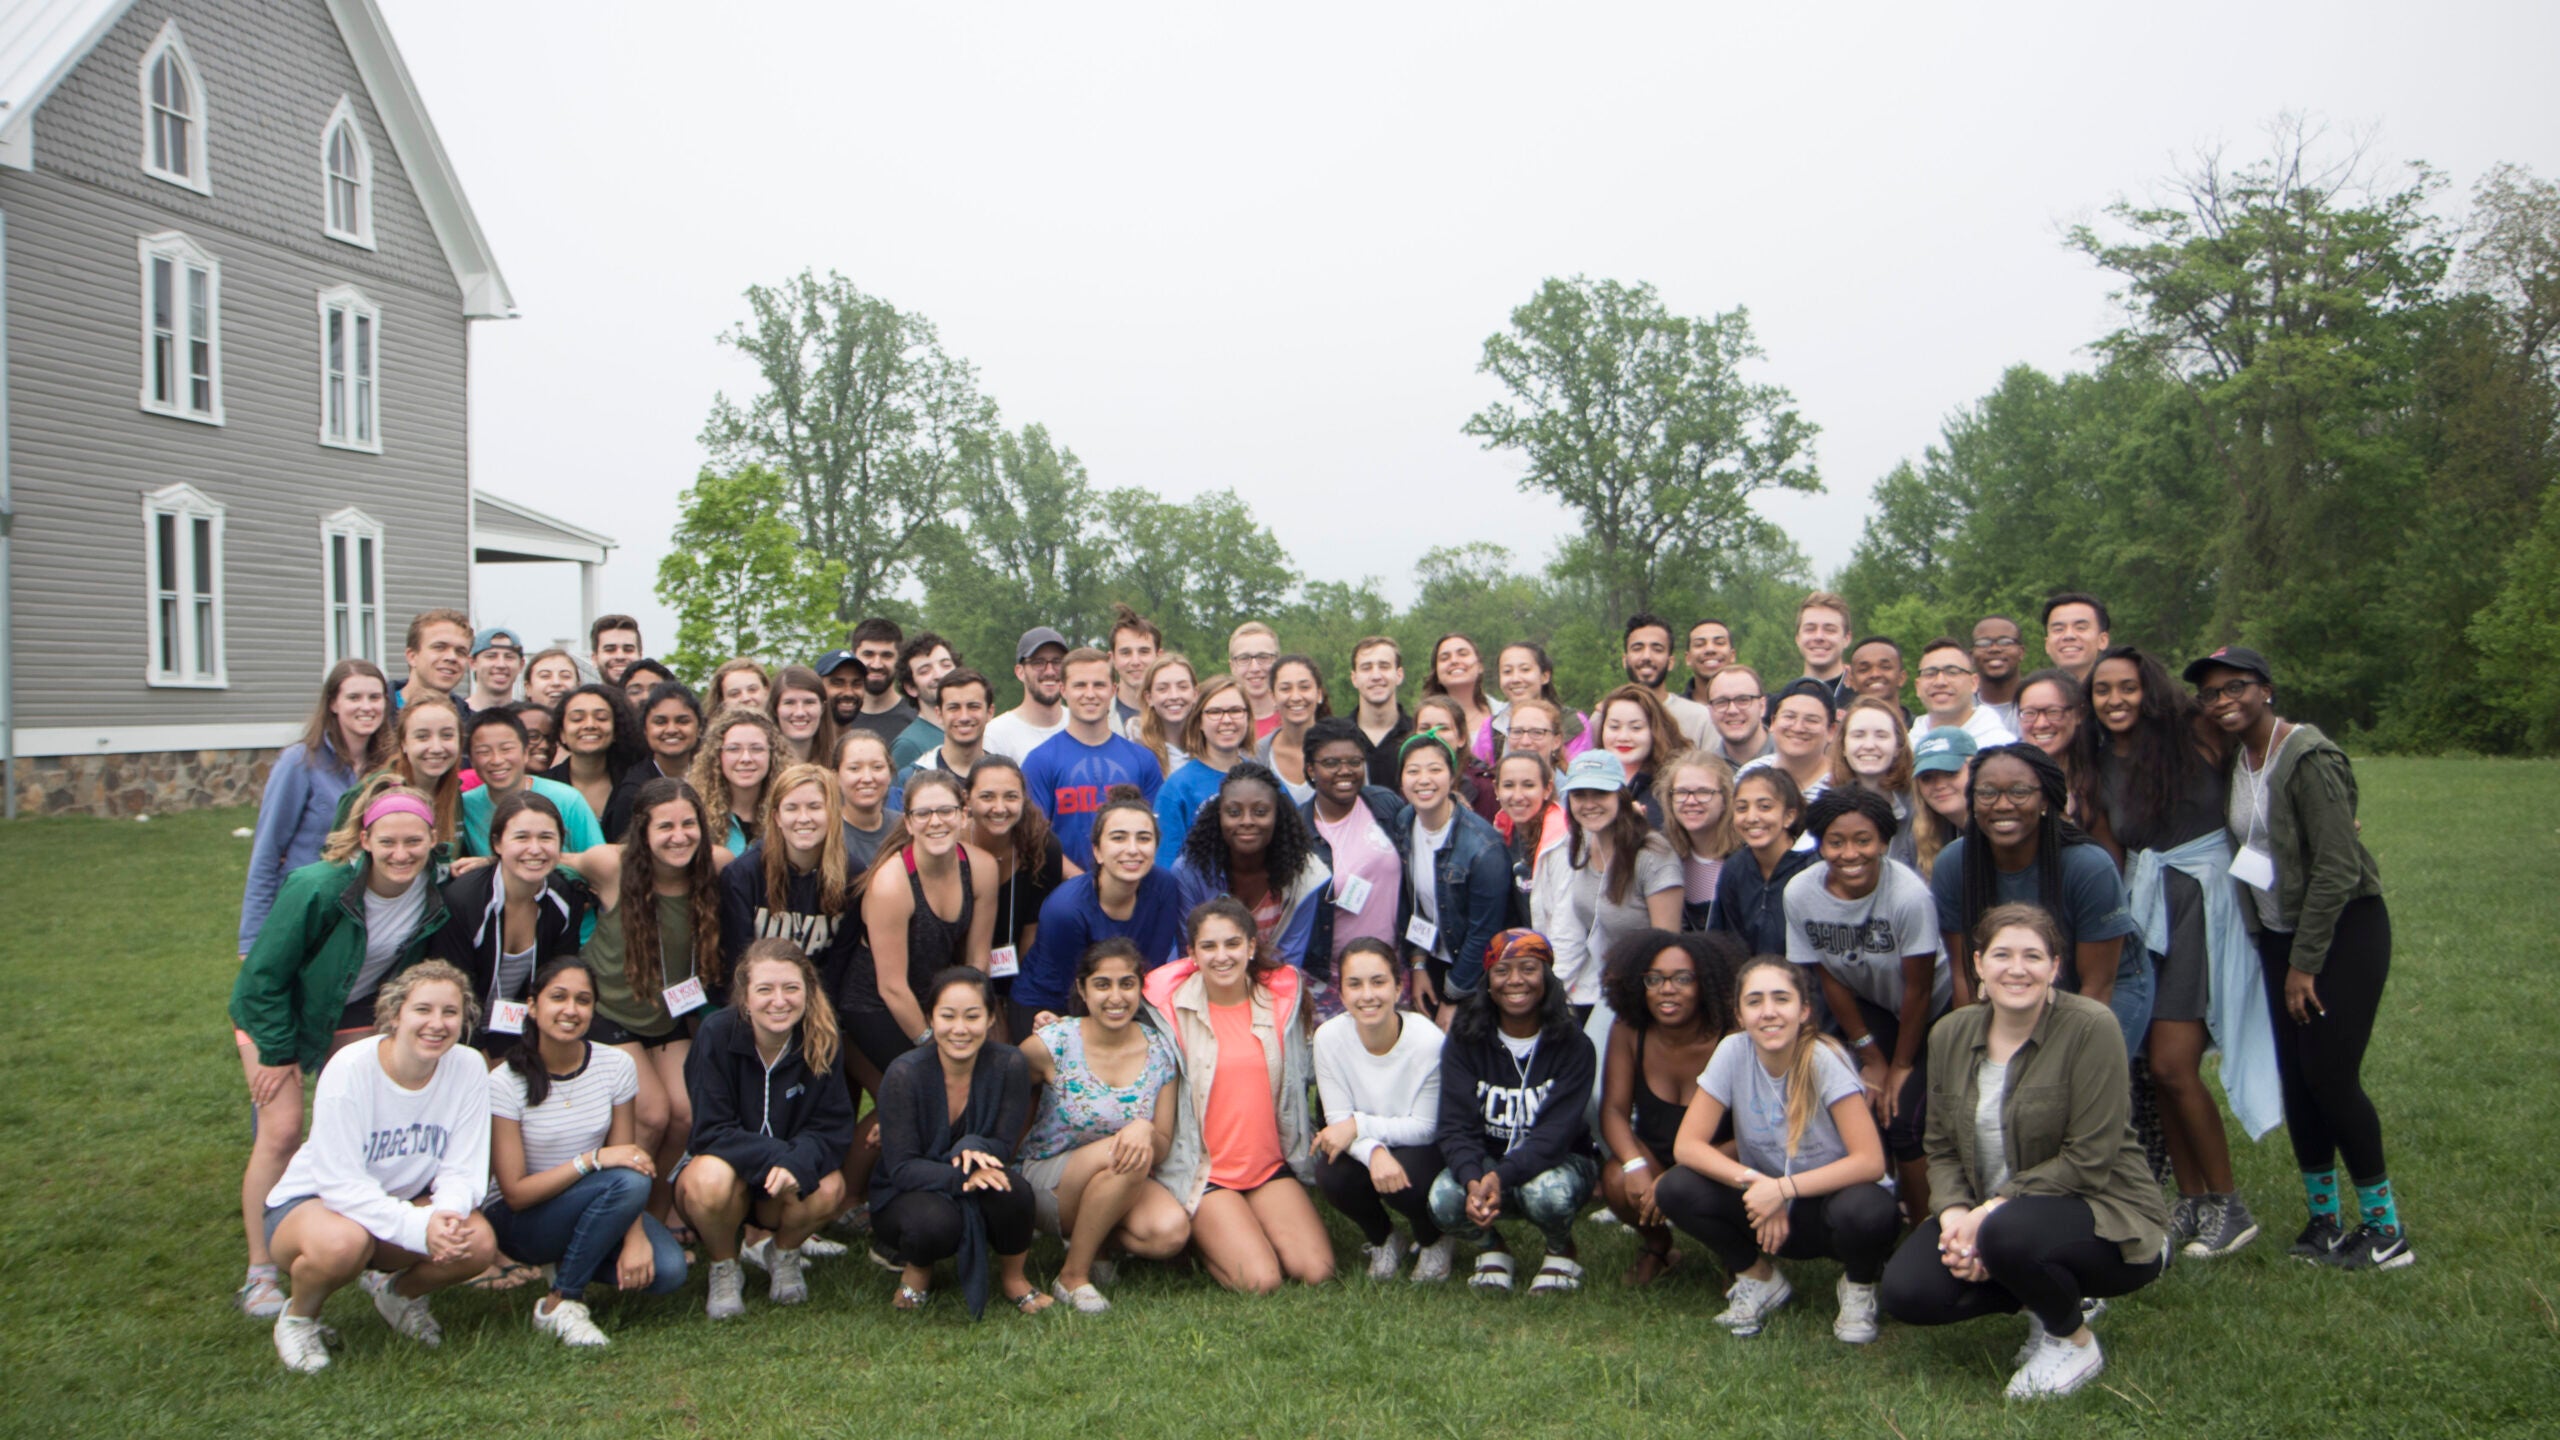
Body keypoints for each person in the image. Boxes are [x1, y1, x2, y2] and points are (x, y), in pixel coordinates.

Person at [1881, 904, 2170, 1400]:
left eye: (2033, 956)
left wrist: (1988, 1216)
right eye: (2002, 955)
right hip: (1995, 1221)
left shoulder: (2090, 1028)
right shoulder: (1950, 1033)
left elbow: (2090, 1158)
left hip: (2109, 1216)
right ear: (1978, 965)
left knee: (2007, 1233)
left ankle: (2072, 1340)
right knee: (1908, 1292)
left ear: (2055, 967)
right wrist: (1954, 1218)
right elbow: (1941, 1146)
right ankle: (2041, 1294)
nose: (2017, 969)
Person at [2190, 644, 2409, 1269]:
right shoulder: (2240, 757)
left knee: (2331, 1078)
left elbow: (2339, 866)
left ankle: (2386, 1230)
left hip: (2343, 931)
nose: (2224, 700)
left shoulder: (2306, 755)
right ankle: (2324, 1219)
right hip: (2282, 935)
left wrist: (2305, 965)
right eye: (2212, 693)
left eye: (2236, 687)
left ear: (2266, 688)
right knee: (2298, 1081)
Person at [229, 784, 453, 1319]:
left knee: (369, 1124)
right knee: (281, 1131)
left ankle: (372, 1250)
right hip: (276, 1011)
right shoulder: (316, 887)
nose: (401, 854)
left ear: (432, 840)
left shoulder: (435, 889)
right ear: (365, 839)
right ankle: (260, 1271)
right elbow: (259, 982)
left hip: (354, 1014)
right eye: (389, 842)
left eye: (414, 842)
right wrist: (279, 1055)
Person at [2087, 644, 2268, 1260]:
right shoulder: (2102, 759)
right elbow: (2110, 850)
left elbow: (2262, 764)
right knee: (2159, 1067)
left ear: (2150, 690)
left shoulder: (2193, 731)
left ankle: (2230, 1204)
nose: (2115, 701)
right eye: (2102, 691)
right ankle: (2193, 1199)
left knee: (2172, 1063)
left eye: (2127, 688)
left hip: (2199, 900)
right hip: (2144, 905)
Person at [260, 961, 496, 1372]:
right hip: (313, 1207)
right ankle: (299, 1318)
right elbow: (340, 1184)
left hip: (394, 1208)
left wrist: (446, 1215)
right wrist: (420, 1227)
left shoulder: (469, 1066)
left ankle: (398, 1295)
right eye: (422, 1010)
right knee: (343, 1243)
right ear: (394, 1013)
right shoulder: (351, 1068)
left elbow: (465, 1166)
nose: (436, 1024)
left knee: (476, 1241)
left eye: (450, 1012)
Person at [1654, 955, 1898, 1343]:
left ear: (1803, 1010)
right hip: (1764, 1204)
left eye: (1781, 999)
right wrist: (1756, 1185)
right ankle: (1757, 1276)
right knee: (1675, 1186)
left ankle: (1858, 1286)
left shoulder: (1823, 1057)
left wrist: (1783, 1189)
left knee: (1868, 1210)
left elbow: (1870, 1161)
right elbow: (1687, 1145)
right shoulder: (1733, 1051)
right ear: (1739, 1014)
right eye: (1754, 1001)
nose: (1768, 1012)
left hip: (1831, 1210)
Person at [485, 957, 688, 1347]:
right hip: (522, 1220)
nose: (571, 1010)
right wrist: (590, 1161)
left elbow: (628, 1156)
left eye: (583, 1000)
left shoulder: (615, 1065)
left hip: (597, 1200)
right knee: (623, 1179)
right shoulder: (505, 1081)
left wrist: (634, 1238)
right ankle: (561, 1302)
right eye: (558, 997)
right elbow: (514, 1193)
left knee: (668, 1270)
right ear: (533, 1005)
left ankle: (571, 1258)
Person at [561, 776, 726, 1229]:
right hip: (609, 1010)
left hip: (668, 1014)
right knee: (651, 1114)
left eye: (689, 824)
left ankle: (653, 1218)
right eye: (665, 827)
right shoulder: (610, 865)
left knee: (688, 1113)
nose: (679, 836)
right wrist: (481, 861)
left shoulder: (715, 865)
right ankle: (611, 1218)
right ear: (642, 831)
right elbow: (546, 859)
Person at [1144, 898, 1333, 1293]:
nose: (1221, 956)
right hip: (1207, 1173)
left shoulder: (1279, 1002)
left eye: (1232, 944)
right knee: (1262, 1281)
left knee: (1317, 1271)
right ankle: (1203, 1237)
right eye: (1208, 947)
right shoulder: (1170, 1009)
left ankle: (1244, 1223)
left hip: (1267, 1168)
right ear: (1191, 954)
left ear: (1250, 947)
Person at [1786, 788, 1950, 1218]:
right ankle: (1889, 1210)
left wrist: (1900, 1066)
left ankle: (1924, 1226)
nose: (1850, 853)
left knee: (1904, 1117)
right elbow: (1827, 975)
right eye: (1835, 842)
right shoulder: (1800, 893)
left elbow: (1919, 987)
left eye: (1863, 840)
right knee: (1865, 1104)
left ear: (1883, 842)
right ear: (1819, 844)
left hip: (1933, 1008)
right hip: (1869, 1004)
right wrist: (1871, 1054)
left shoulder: (1909, 896)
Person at [675, 939, 856, 1319]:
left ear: (808, 990)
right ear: (744, 996)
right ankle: (724, 1267)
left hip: (782, 1188)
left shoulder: (824, 1036)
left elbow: (833, 1126)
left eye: (791, 988)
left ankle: (784, 1253)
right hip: (727, 1179)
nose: (779, 1001)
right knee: (709, 1178)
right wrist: (782, 1157)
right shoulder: (715, 1034)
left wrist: (797, 1163)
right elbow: (710, 1131)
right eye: (765, 989)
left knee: (830, 1187)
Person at [1931, 744, 2149, 1054]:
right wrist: (1976, 1050)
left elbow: (2096, 987)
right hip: (2020, 981)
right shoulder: (1954, 864)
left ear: (2045, 799)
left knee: (2080, 1081)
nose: (2002, 805)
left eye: (2019, 792)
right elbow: (1964, 974)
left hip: (2104, 986)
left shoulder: (2088, 866)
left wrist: (2058, 1061)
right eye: (1987, 793)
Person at [1017, 938, 1190, 1311]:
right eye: (1102, 984)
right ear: (1082, 988)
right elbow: (994, 1087)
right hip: (1048, 1179)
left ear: (1140, 988)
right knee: (1127, 1152)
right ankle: (1073, 1276)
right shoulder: (1054, 1043)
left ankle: (1099, 1246)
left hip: (1124, 1171)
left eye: (1127, 983)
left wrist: (1144, 1129)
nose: (1116, 997)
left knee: (1169, 1233)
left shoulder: (1160, 1050)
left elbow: (1160, 1140)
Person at [870, 968, 1049, 1315]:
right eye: (947, 1016)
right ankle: (917, 1271)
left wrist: (974, 1146)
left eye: (972, 1016)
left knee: (1016, 1192)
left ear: (991, 1017)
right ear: (930, 1018)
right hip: (907, 1191)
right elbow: (903, 1169)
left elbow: (1003, 1143)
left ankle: (1015, 1279)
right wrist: (965, 1177)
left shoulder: (1009, 1063)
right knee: (934, 1222)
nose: (960, 1029)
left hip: (976, 1169)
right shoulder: (904, 1074)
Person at [1428, 929, 1597, 1296]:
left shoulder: (1574, 1045)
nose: (1515, 980)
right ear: (1487, 981)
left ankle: (1560, 1250)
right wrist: (1474, 1179)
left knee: (1545, 1193)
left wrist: (1499, 1178)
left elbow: (1555, 1137)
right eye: (1502, 970)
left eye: (1528, 969)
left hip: (1560, 1165)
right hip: (1489, 1165)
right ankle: (1493, 1250)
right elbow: (1455, 1125)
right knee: (1444, 1196)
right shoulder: (1465, 1038)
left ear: (1547, 978)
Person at [1596, 930, 1739, 1286]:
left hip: (1725, 1156)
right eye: (1654, 979)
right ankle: (1659, 1248)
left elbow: (1756, 1135)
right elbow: (1613, 1110)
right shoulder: (1630, 1028)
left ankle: (1738, 1256)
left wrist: (1679, 1180)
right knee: (1616, 1177)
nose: (1667, 989)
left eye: (1682, 979)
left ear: (1706, 984)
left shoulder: (1734, 1035)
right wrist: (1635, 1164)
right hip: (1656, 1152)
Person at [1313, 939, 1453, 1281]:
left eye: (1378, 982)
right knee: (1332, 1174)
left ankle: (1434, 1238)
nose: (1367, 995)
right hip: (1366, 1143)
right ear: (1341, 993)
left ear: (1399, 985)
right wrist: (1373, 1149)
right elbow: (1336, 1122)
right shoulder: (1328, 1038)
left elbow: (1425, 1127)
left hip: (1420, 1146)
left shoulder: (1428, 1041)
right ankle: (1385, 1238)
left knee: (1411, 1179)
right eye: (1355, 984)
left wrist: (1359, 1126)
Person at [849, 770, 998, 1080]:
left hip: (936, 998)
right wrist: (933, 1043)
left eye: (946, 811)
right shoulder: (891, 885)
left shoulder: (982, 868)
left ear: (963, 816)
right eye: (923, 813)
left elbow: (977, 962)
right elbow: (891, 986)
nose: (936, 822)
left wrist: (969, 1020)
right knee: (922, 1090)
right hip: (876, 1005)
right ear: (908, 822)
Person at [242, 659, 390, 956]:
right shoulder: (300, 762)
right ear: (333, 704)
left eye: (375, 697)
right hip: (305, 910)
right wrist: (251, 938)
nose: (367, 706)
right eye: (354, 697)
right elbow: (268, 848)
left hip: (365, 915)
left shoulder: (389, 766)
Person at [429, 791, 593, 1055]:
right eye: (521, 837)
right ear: (497, 843)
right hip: (457, 1035)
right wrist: (479, 1058)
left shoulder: (564, 898)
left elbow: (556, 981)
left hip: (522, 1033)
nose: (535, 849)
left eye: (546, 838)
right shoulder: (463, 901)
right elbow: (451, 992)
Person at [1017, 790, 1187, 1040]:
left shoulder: (1165, 888)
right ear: (1097, 851)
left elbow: (1151, 970)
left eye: (1143, 838)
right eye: (1118, 838)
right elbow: (1078, 993)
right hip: (1053, 1005)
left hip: (1126, 999)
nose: (1132, 849)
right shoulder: (1065, 909)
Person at [719, 764, 863, 1028]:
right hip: (754, 1010)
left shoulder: (852, 876)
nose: (804, 818)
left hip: (819, 1011)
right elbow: (737, 964)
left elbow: (840, 965)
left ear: (833, 813)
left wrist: (814, 1017)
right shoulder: (742, 875)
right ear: (776, 816)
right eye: (792, 808)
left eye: (815, 807)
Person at [1543, 751, 1682, 1019]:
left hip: (1649, 996)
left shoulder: (1653, 855)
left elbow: (1669, 946)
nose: (1589, 803)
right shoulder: (1583, 842)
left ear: (1620, 795)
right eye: (1579, 795)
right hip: (1605, 989)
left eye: (1600, 793)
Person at [1174, 761, 1333, 979]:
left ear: (1277, 815)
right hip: (1205, 985)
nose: (1247, 821)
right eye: (1234, 812)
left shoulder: (1305, 874)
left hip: (1272, 991)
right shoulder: (1189, 872)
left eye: (1260, 811)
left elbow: (1288, 962)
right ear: (1218, 815)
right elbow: (1191, 953)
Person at [1396, 729, 1511, 1022]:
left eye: (1435, 769)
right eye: (1413, 771)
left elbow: (1483, 933)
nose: (1424, 780)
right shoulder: (1406, 821)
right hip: (1433, 961)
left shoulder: (1483, 848)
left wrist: (1453, 996)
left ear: (1451, 776)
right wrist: (1419, 963)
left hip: (1474, 974)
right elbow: (1416, 904)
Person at [1027, 647, 1166, 869]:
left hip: (1131, 888)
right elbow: (1034, 836)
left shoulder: (1142, 760)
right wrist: (1079, 883)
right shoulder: (1041, 760)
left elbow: (1157, 833)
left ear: (1113, 689)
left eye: (1099, 685)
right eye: (1080, 685)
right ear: (1063, 690)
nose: (1090, 694)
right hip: (1064, 892)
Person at [1302, 718, 1411, 988]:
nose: (1345, 771)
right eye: (1330, 763)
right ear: (1310, 770)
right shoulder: (1297, 831)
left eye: (1354, 761)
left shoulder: (1384, 804)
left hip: (1395, 971)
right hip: (1332, 980)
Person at [964, 754, 1065, 1032]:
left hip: (1017, 974)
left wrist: (1016, 1002)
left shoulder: (1042, 847)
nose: (999, 808)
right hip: (960, 975)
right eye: (987, 797)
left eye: (1010, 797)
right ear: (967, 800)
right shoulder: (952, 845)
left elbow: (1033, 930)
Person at [461, 708, 604, 857]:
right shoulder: (466, 806)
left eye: (506, 749)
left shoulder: (567, 800)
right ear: (471, 760)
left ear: (525, 753)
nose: (497, 760)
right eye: (484, 752)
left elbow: (602, 862)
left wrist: (495, 864)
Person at [1708, 767, 1813, 958]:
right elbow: (1722, 942)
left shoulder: (1811, 868)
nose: (1752, 818)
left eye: (1765, 807)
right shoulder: (1734, 869)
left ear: (1789, 816)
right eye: (1741, 808)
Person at [1154, 674, 1251, 863]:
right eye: (1215, 712)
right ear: (1199, 721)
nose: (1227, 720)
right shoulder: (1177, 788)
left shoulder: (1264, 781)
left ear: (1248, 717)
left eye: (1235, 710)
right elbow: (1165, 866)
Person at [1828, 696, 1923, 869]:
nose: (1869, 745)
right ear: (1843, 746)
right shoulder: (1825, 805)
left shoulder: (1919, 806)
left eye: (1881, 735)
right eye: (1858, 735)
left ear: (1897, 747)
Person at [602, 680, 703, 840]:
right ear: (645, 729)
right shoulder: (632, 792)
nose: (671, 729)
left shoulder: (713, 778)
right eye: (660, 722)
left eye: (683, 721)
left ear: (699, 728)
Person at [543, 683, 643, 825]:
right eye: (577, 718)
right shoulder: (543, 788)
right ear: (562, 734)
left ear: (616, 730)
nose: (590, 725)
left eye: (601, 718)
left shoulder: (637, 783)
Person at [688, 708, 782, 853]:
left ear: (772, 755)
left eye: (756, 749)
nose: (746, 758)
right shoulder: (696, 812)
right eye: (733, 749)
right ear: (717, 755)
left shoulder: (787, 810)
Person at [1590, 682, 1683, 826]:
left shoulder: (1674, 784)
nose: (1623, 737)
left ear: (1655, 731)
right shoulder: (1589, 779)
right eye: (1614, 727)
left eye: (1636, 728)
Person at [1663, 754, 1739, 931]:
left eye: (1704, 792)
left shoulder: (1744, 857)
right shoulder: (1663, 855)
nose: (1691, 801)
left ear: (1725, 799)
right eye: (1681, 792)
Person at [2015, 668, 2098, 824]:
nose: (2041, 724)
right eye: (2029, 713)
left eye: (2053, 712)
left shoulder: (2100, 775)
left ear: (2079, 714)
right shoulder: (2005, 774)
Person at [1622, 612, 1715, 751]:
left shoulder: (1700, 718)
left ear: (1670, 662)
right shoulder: (1607, 718)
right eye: (1637, 649)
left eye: (1657, 649)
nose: (1647, 656)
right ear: (1625, 660)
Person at [1493, 749, 1565, 930]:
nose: (1517, 796)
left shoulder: (1561, 841)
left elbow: (1566, 922)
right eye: (1508, 785)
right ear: (1496, 789)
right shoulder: (1502, 832)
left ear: (1547, 789)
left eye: (1528, 785)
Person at [1484, 641, 1589, 763]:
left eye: (1525, 669)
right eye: (1507, 671)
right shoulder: (1491, 726)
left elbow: (1579, 774)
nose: (1515, 679)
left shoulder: (1573, 722)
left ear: (1545, 676)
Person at [897, 666, 993, 793]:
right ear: (939, 714)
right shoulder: (912, 777)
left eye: (973, 706)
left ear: (990, 712)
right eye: (954, 708)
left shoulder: (1006, 776)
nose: (964, 717)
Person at [1251, 653, 1331, 804]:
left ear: (1319, 694)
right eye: (1285, 688)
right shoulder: (1257, 756)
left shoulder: (1345, 749)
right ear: (1273, 697)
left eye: (1304, 687)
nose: (1295, 697)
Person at [1912, 636, 2017, 748]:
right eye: (1930, 673)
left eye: (1952, 672)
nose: (1940, 682)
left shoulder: (2002, 746)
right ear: (1918, 686)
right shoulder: (1902, 750)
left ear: (1974, 683)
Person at [984, 626, 1070, 763]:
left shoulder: (1081, 724)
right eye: (1038, 662)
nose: (1050, 671)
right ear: (1020, 672)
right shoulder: (997, 735)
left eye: (1057, 662)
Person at [1412, 692, 1499, 822]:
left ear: (1461, 738)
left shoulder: (1485, 787)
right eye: (1425, 728)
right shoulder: (1409, 782)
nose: (1433, 734)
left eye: (1443, 728)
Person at [1909, 727, 1978, 878]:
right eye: (1927, 778)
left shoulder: (1996, 831)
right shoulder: (1919, 835)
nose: (1939, 785)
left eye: (1950, 773)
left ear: (1976, 771)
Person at [1348, 636, 1414, 789]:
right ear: (1354, 678)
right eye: (1366, 668)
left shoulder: (1417, 734)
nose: (1376, 676)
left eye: (1384, 666)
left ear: (1399, 675)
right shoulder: (1338, 737)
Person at [842, 617, 920, 745]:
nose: (877, 665)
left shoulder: (916, 718)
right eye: (868, 654)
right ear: (853, 657)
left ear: (899, 660)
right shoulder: (837, 719)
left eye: (886, 655)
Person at [1758, 679, 1836, 802]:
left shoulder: (1841, 784)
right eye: (1789, 716)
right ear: (1773, 721)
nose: (1798, 728)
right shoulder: (1750, 773)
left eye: (1811, 720)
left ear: (1831, 730)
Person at [835, 728, 900, 872]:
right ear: (836, 776)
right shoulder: (828, 834)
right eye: (854, 768)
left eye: (877, 767)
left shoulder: (905, 828)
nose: (867, 778)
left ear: (890, 773)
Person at [1420, 634, 1495, 751]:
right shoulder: (1423, 720)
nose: (1454, 661)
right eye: (1444, 658)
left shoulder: (1503, 714)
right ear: (1436, 673)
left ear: (1480, 666)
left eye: (1463, 654)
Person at [397, 608, 473, 713]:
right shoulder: (376, 715)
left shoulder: (473, 726)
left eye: (460, 651)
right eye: (440, 647)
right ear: (412, 656)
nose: (452, 657)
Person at [1133, 653, 1197, 774]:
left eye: (1182, 687)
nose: (1174, 696)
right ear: (1149, 698)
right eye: (1162, 689)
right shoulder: (1135, 748)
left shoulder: (1211, 745)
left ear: (1195, 694)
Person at [769, 664, 841, 768]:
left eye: (809, 702)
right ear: (775, 709)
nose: (800, 713)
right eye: (789, 703)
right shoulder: (762, 771)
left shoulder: (839, 766)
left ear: (823, 708)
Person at [1791, 592, 1854, 710]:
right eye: (1810, 629)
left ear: (1847, 638)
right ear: (1798, 638)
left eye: (1830, 630)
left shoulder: (1863, 703)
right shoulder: (1782, 702)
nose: (1819, 637)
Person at [1703, 664, 1775, 767]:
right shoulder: (1707, 770)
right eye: (1721, 702)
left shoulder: (1792, 759)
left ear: (1762, 706)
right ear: (1710, 711)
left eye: (1743, 700)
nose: (1732, 710)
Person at [1107, 604, 1162, 736]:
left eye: (1144, 651)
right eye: (1126, 653)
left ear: (1159, 656)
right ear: (1112, 659)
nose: (1135, 661)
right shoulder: (1097, 716)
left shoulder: (1177, 717)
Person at [1227, 621, 1283, 738]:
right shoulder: (1221, 725)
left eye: (1263, 657)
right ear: (1232, 666)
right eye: (1244, 658)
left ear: (1278, 662)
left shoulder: (1295, 720)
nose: (1255, 668)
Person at [1971, 616, 2027, 733]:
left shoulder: (2038, 703)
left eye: (2005, 642)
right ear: (1972, 655)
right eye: (1983, 643)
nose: (1994, 649)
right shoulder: (1960, 709)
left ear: (2021, 652)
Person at [2041, 592, 2111, 683]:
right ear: (2047, 645)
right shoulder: (2033, 695)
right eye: (2058, 629)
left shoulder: (2122, 694)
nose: (2068, 635)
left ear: (2102, 640)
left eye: (2080, 628)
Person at [462, 627, 522, 714]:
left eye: (509, 657)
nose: (501, 665)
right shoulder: (455, 715)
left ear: (521, 665)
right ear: (472, 663)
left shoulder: (528, 718)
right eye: (491, 656)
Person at [1847, 636, 1911, 718]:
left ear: (1902, 678)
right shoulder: (1844, 730)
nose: (1875, 674)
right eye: (1864, 669)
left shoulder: (1923, 729)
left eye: (1885, 667)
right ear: (1852, 682)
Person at [1684, 618, 1738, 705]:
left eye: (1719, 643)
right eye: (1699, 644)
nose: (1710, 649)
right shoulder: (1669, 713)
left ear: (1732, 655)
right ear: (1688, 658)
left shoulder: (1763, 709)